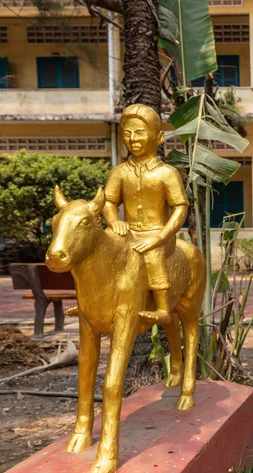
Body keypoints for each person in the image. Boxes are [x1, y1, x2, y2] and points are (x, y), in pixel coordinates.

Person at [103, 104, 189, 325]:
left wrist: (160, 236)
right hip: (129, 233)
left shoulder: (167, 173)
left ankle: (162, 308)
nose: (133, 139)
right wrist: (113, 222)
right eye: (127, 133)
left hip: (158, 235)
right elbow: (109, 202)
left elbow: (180, 207)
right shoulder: (119, 172)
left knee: (152, 253)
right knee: (100, 246)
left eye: (140, 133)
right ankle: (94, 299)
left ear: (159, 138)